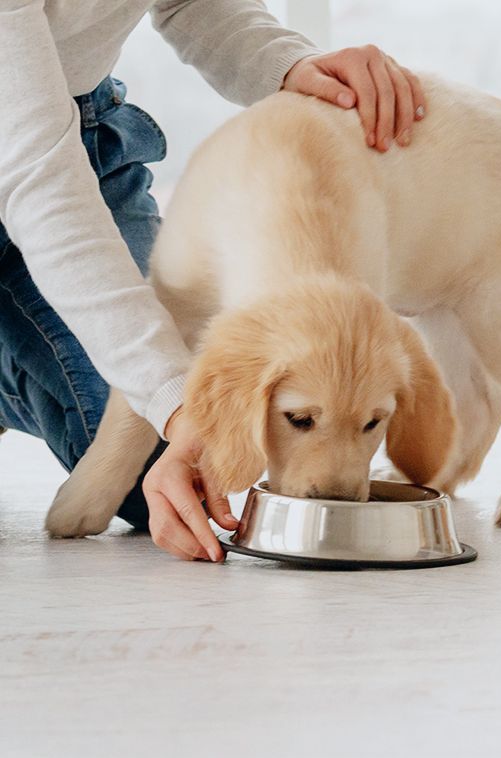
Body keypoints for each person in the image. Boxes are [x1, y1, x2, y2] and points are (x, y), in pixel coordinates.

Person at [0, 0, 425, 562]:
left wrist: (289, 65)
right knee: (174, 426)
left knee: (169, 476)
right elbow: (40, 181)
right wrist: (181, 406)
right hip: (40, 168)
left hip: (83, 132)